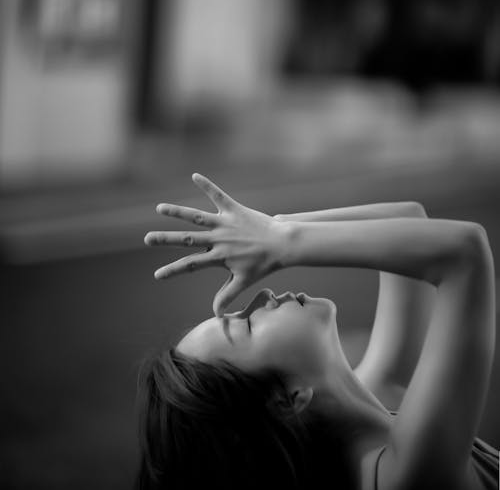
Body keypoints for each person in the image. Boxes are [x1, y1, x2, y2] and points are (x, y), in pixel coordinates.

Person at [138, 173, 499, 490]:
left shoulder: (381, 399)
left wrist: (272, 228)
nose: (261, 297)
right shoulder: (404, 478)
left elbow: (408, 218)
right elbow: (463, 253)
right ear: (287, 399)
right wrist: (281, 242)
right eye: (247, 323)